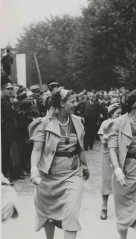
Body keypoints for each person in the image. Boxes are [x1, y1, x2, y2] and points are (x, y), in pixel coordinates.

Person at [29, 89, 90, 239]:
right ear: (62, 103)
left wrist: (85, 165)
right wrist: (34, 169)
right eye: (72, 101)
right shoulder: (43, 123)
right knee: (48, 213)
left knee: (71, 214)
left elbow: (80, 147)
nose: (76, 104)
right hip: (48, 177)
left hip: (72, 174)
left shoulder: (78, 121)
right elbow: (37, 150)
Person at [104, 89, 136, 239]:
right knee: (124, 217)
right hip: (125, 174)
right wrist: (117, 170)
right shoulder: (117, 123)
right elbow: (112, 149)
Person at [97, 103, 122, 220]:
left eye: (121, 113)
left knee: (121, 179)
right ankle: (104, 207)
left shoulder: (122, 123)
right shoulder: (105, 123)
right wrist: (111, 137)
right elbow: (102, 139)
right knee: (107, 179)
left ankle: (122, 208)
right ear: (111, 114)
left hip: (119, 154)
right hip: (107, 154)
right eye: (118, 113)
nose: (120, 115)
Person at [1, 80, 15, 181]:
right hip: (3, 130)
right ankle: (5, 175)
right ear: (2, 89)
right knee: (4, 152)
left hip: (9, 130)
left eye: (11, 89)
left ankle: (7, 174)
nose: (10, 91)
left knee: (7, 152)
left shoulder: (8, 100)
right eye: (8, 89)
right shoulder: (1, 100)